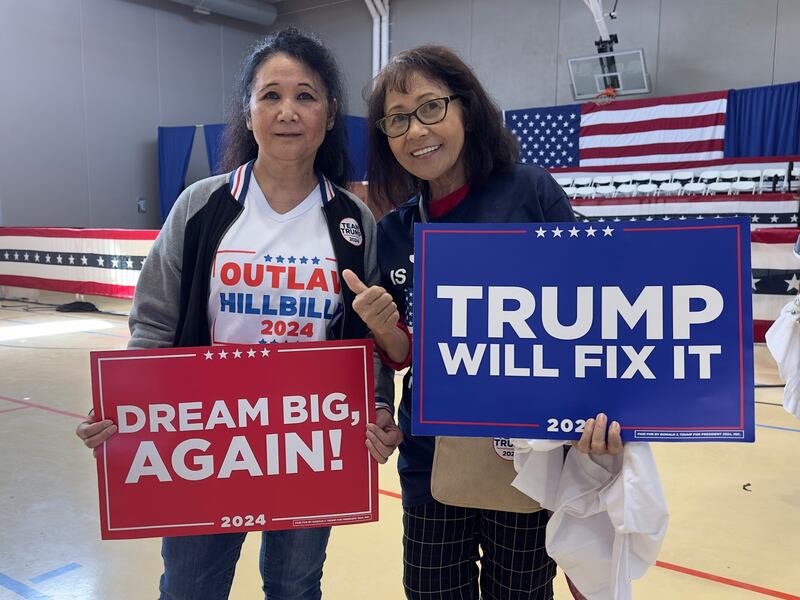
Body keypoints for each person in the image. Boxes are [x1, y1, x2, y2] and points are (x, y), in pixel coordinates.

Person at [75, 27, 391, 600]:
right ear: (247, 113)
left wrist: (378, 410)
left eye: (306, 95)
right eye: (270, 95)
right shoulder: (201, 206)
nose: (287, 111)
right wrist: (120, 403)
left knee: (295, 587)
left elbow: (367, 337)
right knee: (192, 586)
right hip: (205, 443)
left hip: (306, 445)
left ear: (330, 114)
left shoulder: (353, 220)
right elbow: (153, 324)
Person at [345, 45, 623, 600]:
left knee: (519, 593)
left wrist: (610, 411)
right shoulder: (396, 230)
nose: (416, 130)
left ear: (465, 109)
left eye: (430, 107)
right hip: (431, 457)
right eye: (397, 119)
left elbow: (594, 309)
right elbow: (406, 353)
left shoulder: (529, 192)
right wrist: (384, 333)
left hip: (527, 458)